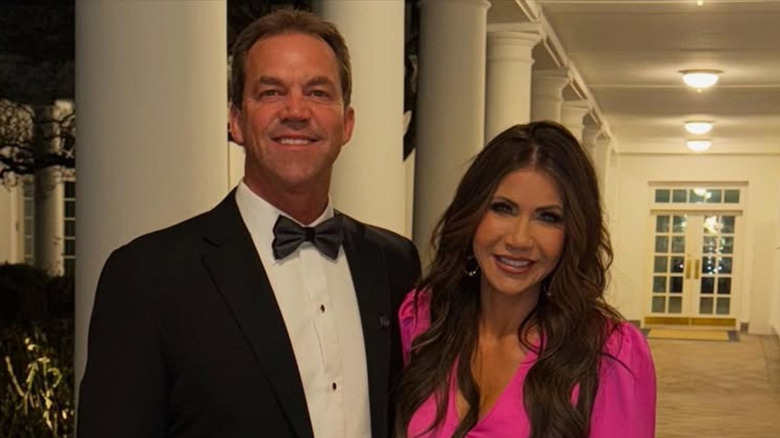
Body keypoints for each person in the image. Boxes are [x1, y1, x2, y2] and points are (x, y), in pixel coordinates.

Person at [78, 9, 420, 438]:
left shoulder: (394, 263)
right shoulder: (148, 276)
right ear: (236, 120)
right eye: (271, 92)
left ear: (347, 123)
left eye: (317, 92)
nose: (296, 110)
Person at [395, 122, 655, 438]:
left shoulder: (609, 353)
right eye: (503, 208)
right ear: (472, 214)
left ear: (572, 234)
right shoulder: (423, 321)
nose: (519, 239)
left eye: (548, 217)